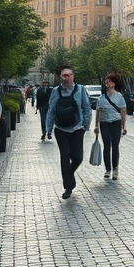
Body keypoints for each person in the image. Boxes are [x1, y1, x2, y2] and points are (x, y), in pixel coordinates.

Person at [45, 66, 91, 199]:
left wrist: (85, 126)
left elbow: (86, 108)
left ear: (73, 76)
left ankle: (69, 175)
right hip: (61, 130)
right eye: (64, 75)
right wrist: (49, 129)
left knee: (78, 158)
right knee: (64, 157)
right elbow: (51, 110)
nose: (66, 78)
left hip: (77, 129)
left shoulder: (80, 90)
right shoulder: (55, 91)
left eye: (69, 75)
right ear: (61, 77)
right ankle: (68, 187)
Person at [96, 72, 128, 180]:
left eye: (109, 81)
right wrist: (96, 125)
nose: (107, 83)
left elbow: (123, 112)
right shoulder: (102, 98)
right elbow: (98, 112)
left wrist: (124, 126)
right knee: (106, 146)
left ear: (113, 84)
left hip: (116, 122)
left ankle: (115, 169)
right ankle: (108, 169)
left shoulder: (119, 97)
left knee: (115, 146)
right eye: (106, 81)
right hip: (104, 123)